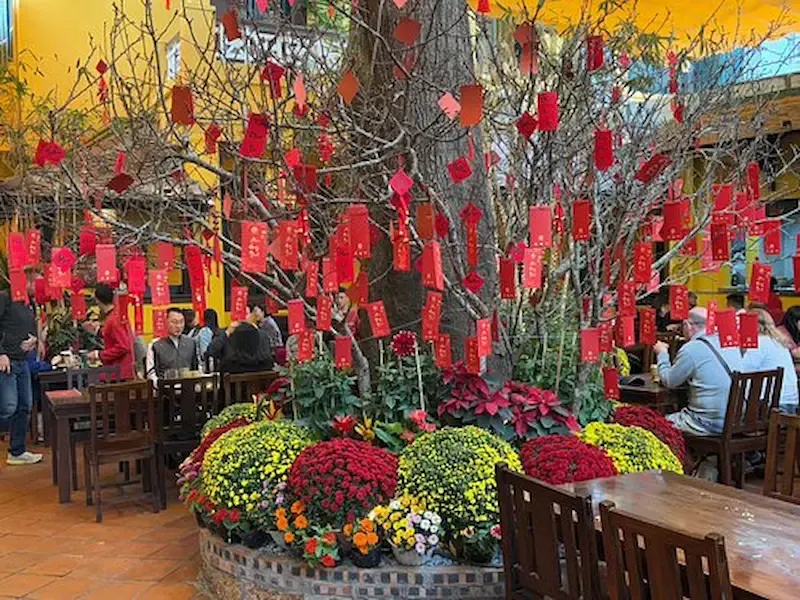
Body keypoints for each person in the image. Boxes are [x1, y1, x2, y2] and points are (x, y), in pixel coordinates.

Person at [654, 307, 744, 436]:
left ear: (687, 325)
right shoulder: (729, 343)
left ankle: (682, 456)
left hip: (706, 423)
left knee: (656, 424)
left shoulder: (692, 348)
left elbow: (669, 381)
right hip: (736, 421)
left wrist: (662, 354)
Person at [0, 270, 43, 465]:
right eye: (37, 284)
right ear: (27, 282)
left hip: (23, 360)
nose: (39, 289)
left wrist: (34, 340)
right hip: (7, 361)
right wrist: (1, 353)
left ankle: (17, 451)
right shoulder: (5, 298)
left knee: (25, 405)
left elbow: (30, 328)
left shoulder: (29, 304)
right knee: (8, 407)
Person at [742, 308, 799, 414]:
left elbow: (741, 372)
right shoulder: (778, 341)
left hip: (770, 407)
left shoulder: (758, 343)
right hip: (791, 403)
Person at [88, 284, 136, 381]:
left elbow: (123, 346)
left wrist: (99, 355)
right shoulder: (117, 315)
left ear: (98, 300)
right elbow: (114, 336)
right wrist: (97, 331)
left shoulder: (113, 320)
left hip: (119, 372)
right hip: (121, 370)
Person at [145, 307, 199, 380]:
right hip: (165, 387)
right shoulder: (155, 345)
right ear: (166, 322)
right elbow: (151, 372)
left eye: (181, 322)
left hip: (187, 387)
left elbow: (196, 368)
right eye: (174, 322)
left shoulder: (191, 343)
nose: (178, 326)